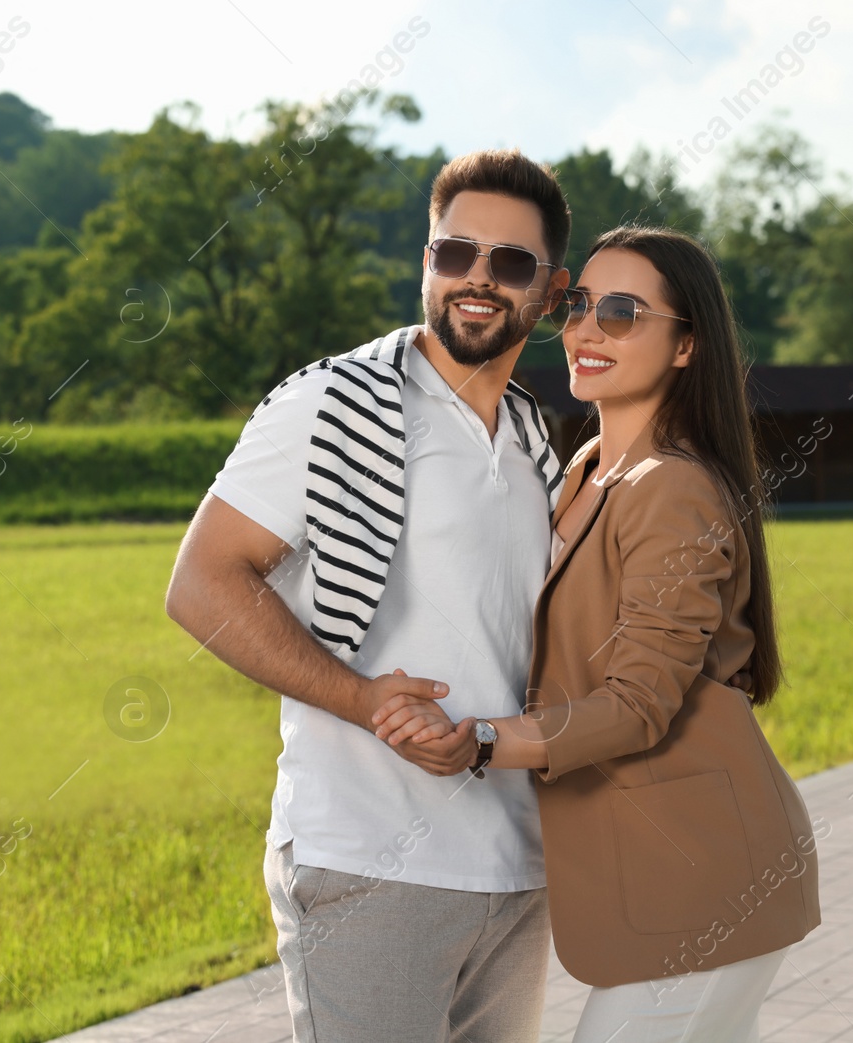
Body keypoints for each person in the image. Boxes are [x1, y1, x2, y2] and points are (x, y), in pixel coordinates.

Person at [374, 225, 823, 1042]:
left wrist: (479, 740)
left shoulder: (671, 486)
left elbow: (637, 703)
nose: (585, 328)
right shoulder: (585, 468)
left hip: (704, 876)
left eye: (622, 312)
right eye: (579, 305)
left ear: (687, 346)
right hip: (664, 875)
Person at [166, 149, 574, 1042]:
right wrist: (358, 697)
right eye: (453, 252)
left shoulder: (538, 436)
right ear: (424, 258)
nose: (477, 279)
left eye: (511, 263)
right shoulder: (331, 402)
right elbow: (201, 582)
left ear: (550, 289)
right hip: (369, 862)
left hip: (517, 866)